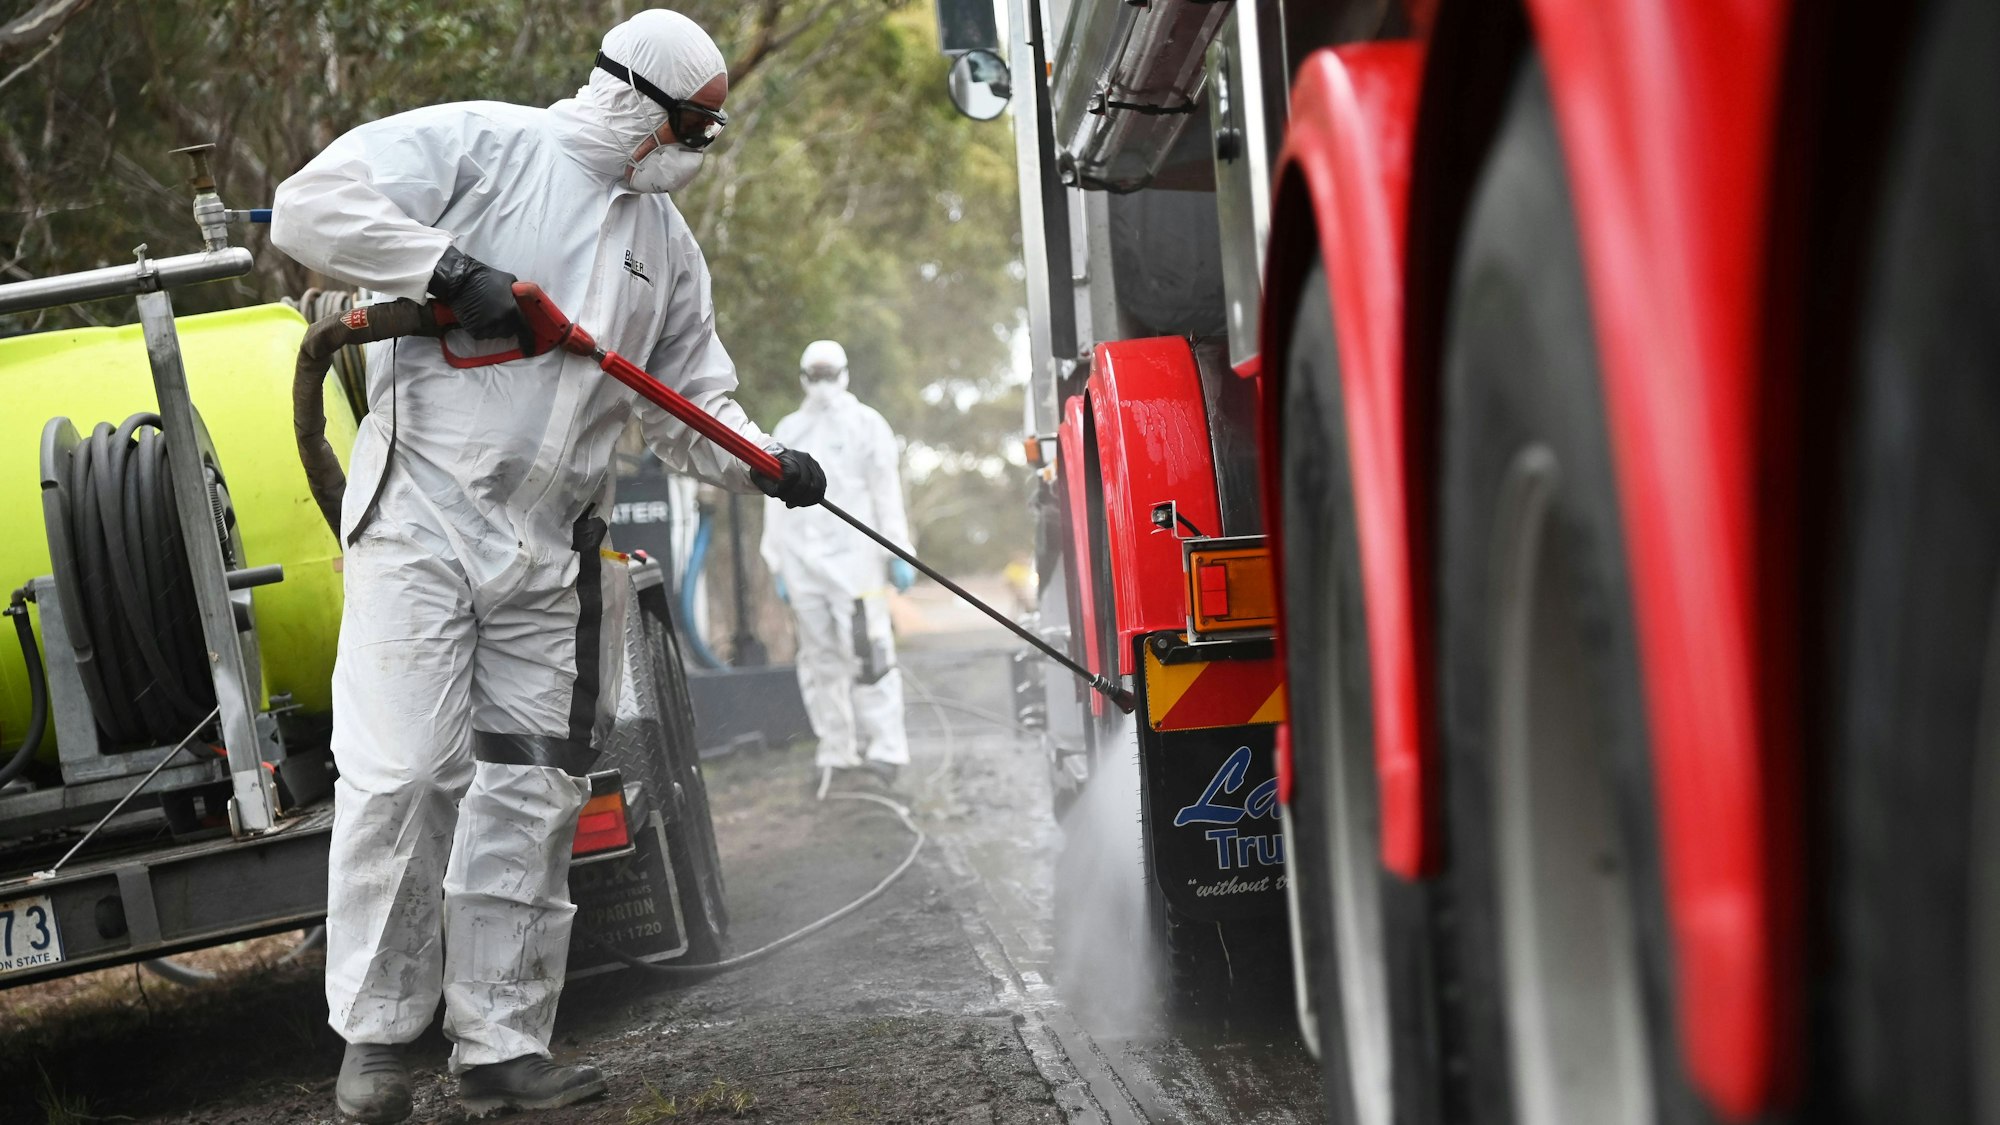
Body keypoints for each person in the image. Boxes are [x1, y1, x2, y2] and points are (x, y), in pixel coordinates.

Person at [269, 11, 825, 1122]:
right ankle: (378, 1045)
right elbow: (306, 206)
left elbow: (688, 403)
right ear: (634, 100)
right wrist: (447, 270)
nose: (698, 151)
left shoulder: (663, 245)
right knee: (407, 775)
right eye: (694, 127)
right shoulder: (481, 144)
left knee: (531, 791)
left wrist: (761, 459)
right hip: (420, 521)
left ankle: (501, 1047)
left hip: (551, 547)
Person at [760, 340, 915, 796]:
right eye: (816, 374)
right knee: (820, 663)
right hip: (803, 566)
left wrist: (896, 552)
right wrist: (776, 562)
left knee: (869, 660)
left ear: (845, 373)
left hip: (858, 565)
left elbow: (886, 491)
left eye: (831, 373)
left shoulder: (868, 425)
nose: (824, 383)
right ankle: (837, 753)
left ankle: (886, 752)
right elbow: (771, 501)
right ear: (803, 377)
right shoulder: (788, 428)